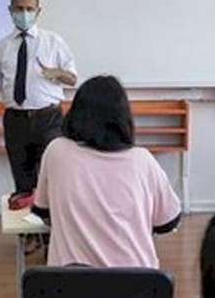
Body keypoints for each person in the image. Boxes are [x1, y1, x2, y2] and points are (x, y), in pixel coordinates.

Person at [31, 75, 181, 268]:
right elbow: (167, 222)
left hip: (68, 289)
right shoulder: (142, 160)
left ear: (75, 113)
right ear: (124, 117)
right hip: (137, 288)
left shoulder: (57, 151)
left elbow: (41, 208)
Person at [0, 0, 77, 212]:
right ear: (10, 10)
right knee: (23, 180)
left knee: (53, 177)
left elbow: (72, 78)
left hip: (49, 119)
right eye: (19, 9)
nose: (24, 13)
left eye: (29, 9)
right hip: (16, 120)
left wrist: (56, 73)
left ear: (38, 11)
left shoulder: (53, 42)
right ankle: (27, 233)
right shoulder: (1, 47)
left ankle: (52, 232)